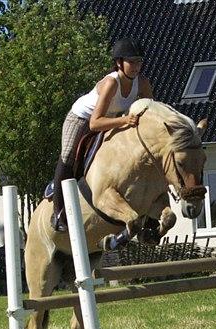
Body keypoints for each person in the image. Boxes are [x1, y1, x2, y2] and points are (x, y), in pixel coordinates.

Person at [51, 38, 153, 231]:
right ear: (119, 63)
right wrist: (125, 120)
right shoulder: (111, 83)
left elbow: (150, 111)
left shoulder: (143, 83)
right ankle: (58, 213)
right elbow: (95, 122)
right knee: (68, 155)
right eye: (132, 62)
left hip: (112, 119)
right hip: (82, 119)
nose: (136, 67)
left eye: (139, 62)